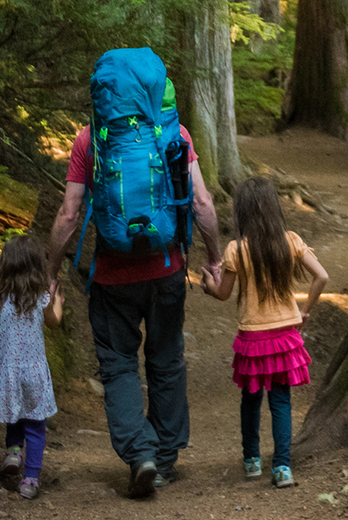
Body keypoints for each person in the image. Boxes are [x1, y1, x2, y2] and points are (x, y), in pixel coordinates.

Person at [48, 122, 221, 497]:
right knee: (167, 359)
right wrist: (216, 258)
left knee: (118, 365)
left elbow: (68, 213)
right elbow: (202, 202)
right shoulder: (176, 132)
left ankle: (141, 456)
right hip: (167, 269)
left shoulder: (88, 139)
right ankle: (165, 458)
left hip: (113, 277)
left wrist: (51, 271)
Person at [201, 176, 328, 488]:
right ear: (273, 209)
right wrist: (303, 311)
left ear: (242, 212)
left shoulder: (236, 250)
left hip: (252, 338)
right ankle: (283, 467)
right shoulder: (291, 241)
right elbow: (322, 276)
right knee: (281, 400)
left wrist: (208, 284)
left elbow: (223, 293)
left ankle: (252, 460)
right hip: (285, 335)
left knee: (251, 398)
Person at [0, 234, 63, 500]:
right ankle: (30, 479)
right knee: (35, 424)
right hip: (34, 373)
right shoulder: (40, 299)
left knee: (13, 413)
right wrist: (57, 303)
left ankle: (13, 453)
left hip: (6, 371)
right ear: (37, 267)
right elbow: (53, 322)